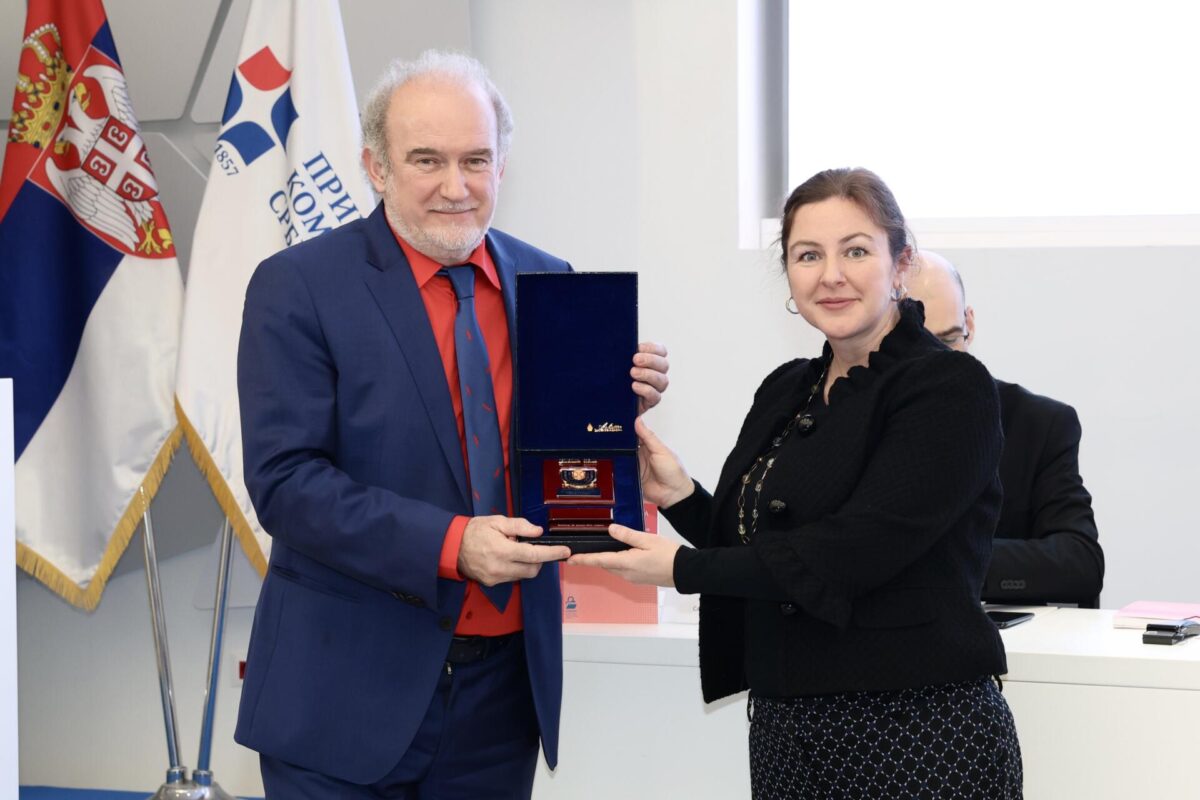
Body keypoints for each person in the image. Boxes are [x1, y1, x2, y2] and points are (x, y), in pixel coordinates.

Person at [234, 51, 669, 798]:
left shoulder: (552, 283)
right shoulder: (299, 285)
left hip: (502, 701)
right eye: (427, 160)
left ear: (502, 165)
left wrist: (610, 419)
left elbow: (554, 460)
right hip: (342, 694)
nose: (456, 186)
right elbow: (286, 483)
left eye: (475, 159)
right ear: (376, 167)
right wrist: (451, 544)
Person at [572, 168, 1022, 798]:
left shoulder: (950, 386)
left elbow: (853, 551)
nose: (830, 275)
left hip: (917, 731)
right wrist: (680, 496)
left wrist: (682, 569)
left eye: (855, 251)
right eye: (808, 255)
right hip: (789, 732)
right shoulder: (788, 388)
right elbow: (763, 549)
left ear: (901, 264)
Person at [908, 251, 1104, 607]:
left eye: (949, 341)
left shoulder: (1037, 423)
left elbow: (1079, 562)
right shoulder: (845, 420)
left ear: (969, 324)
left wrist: (943, 562)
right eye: (917, 346)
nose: (937, 365)